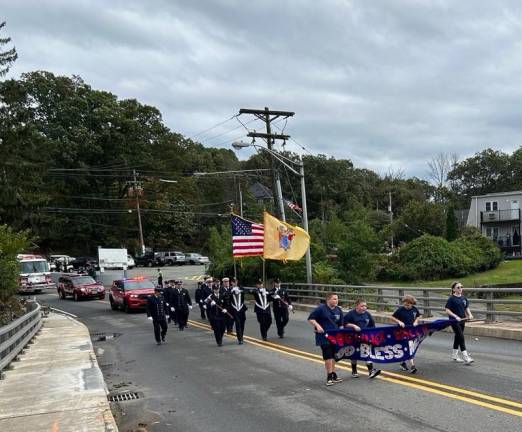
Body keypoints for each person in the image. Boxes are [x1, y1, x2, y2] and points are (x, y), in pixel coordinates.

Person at [307, 292, 344, 386]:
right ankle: (329, 376)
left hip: (335, 337)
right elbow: (311, 319)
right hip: (324, 336)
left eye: (337, 299)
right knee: (328, 356)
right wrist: (318, 326)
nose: (336, 301)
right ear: (328, 300)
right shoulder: (321, 309)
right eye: (334, 299)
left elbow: (341, 324)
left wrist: (342, 331)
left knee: (334, 356)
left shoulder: (338, 310)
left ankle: (333, 374)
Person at [343, 298, 382, 379]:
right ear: (357, 306)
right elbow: (344, 324)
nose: (364, 307)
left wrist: (373, 335)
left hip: (365, 337)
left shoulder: (367, 314)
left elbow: (372, 326)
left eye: (365, 306)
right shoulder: (350, 314)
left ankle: (371, 371)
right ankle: (354, 370)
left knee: (367, 352)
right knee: (354, 354)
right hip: (353, 337)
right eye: (362, 306)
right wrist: (353, 326)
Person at [391, 294, 422, 374]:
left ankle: (403, 363)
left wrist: (416, 321)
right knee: (407, 346)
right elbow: (392, 317)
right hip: (402, 331)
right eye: (405, 304)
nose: (406, 306)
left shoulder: (414, 309)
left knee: (410, 347)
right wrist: (399, 321)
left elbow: (418, 316)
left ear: (411, 303)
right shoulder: (400, 310)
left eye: (408, 305)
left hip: (411, 331)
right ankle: (412, 365)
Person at [445, 281, 474, 364]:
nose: (460, 288)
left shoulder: (463, 298)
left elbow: (466, 307)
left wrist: (470, 314)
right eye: (458, 287)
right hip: (454, 320)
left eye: (461, 287)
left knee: (458, 337)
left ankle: (454, 355)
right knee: (461, 337)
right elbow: (447, 310)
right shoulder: (451, 299)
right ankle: (466, 357)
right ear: (454, 289)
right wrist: (455, 316)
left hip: (462, 320)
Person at [229, 277, 247, 344]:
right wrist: (232, 291)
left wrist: (241, 291)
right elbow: (226, 295)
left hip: (241, 309)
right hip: (234, 309)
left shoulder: (240, 288)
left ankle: (241, 335)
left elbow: (246, 291)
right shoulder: (230, 289)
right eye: (233, 282)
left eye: (236, 281)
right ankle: (240, 339)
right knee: (238, 324)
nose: (235, 283)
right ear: (231, 283)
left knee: (242, 323)